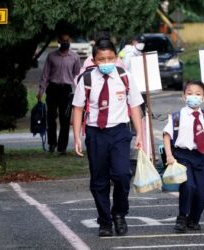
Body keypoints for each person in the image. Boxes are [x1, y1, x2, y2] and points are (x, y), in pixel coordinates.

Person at [72, 38, 143, 237]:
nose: (106, 62)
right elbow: (77, 109)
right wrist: (77, 137)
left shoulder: (125, 76)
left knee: (122, 175)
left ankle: (119, 213)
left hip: (119, 132)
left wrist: (140, 135)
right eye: (101, 59)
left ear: (116, 57)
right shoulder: (87, 79)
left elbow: (135, 107)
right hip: (95, 134)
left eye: (110, 58)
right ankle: (105, 221)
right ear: (94, 60)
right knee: (99, 181)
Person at [163, 80, 204, 233]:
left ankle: (194, 219)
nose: (193, 97)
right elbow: (167, 135)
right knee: (188, 186)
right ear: (184, 96)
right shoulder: (177, 116)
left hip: (200, 157)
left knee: (203, 193)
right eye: (189, 94)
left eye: (198, 94)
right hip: (182, 156)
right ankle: (182, 216)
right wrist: (169, 155)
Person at [37, 32, 81, 154]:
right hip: (52, 89)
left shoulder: (75, 57)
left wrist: (79, 91)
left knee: (65, 119)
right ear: (59, 41)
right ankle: (52, 143)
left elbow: (77, 75)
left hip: (66, 90)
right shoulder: (51, 56)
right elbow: (45, 74)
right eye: (63, 40)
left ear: (70, 40)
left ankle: (62, 148)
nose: (66, 42)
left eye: (68, 40)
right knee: (51, 117)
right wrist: (41, 90)